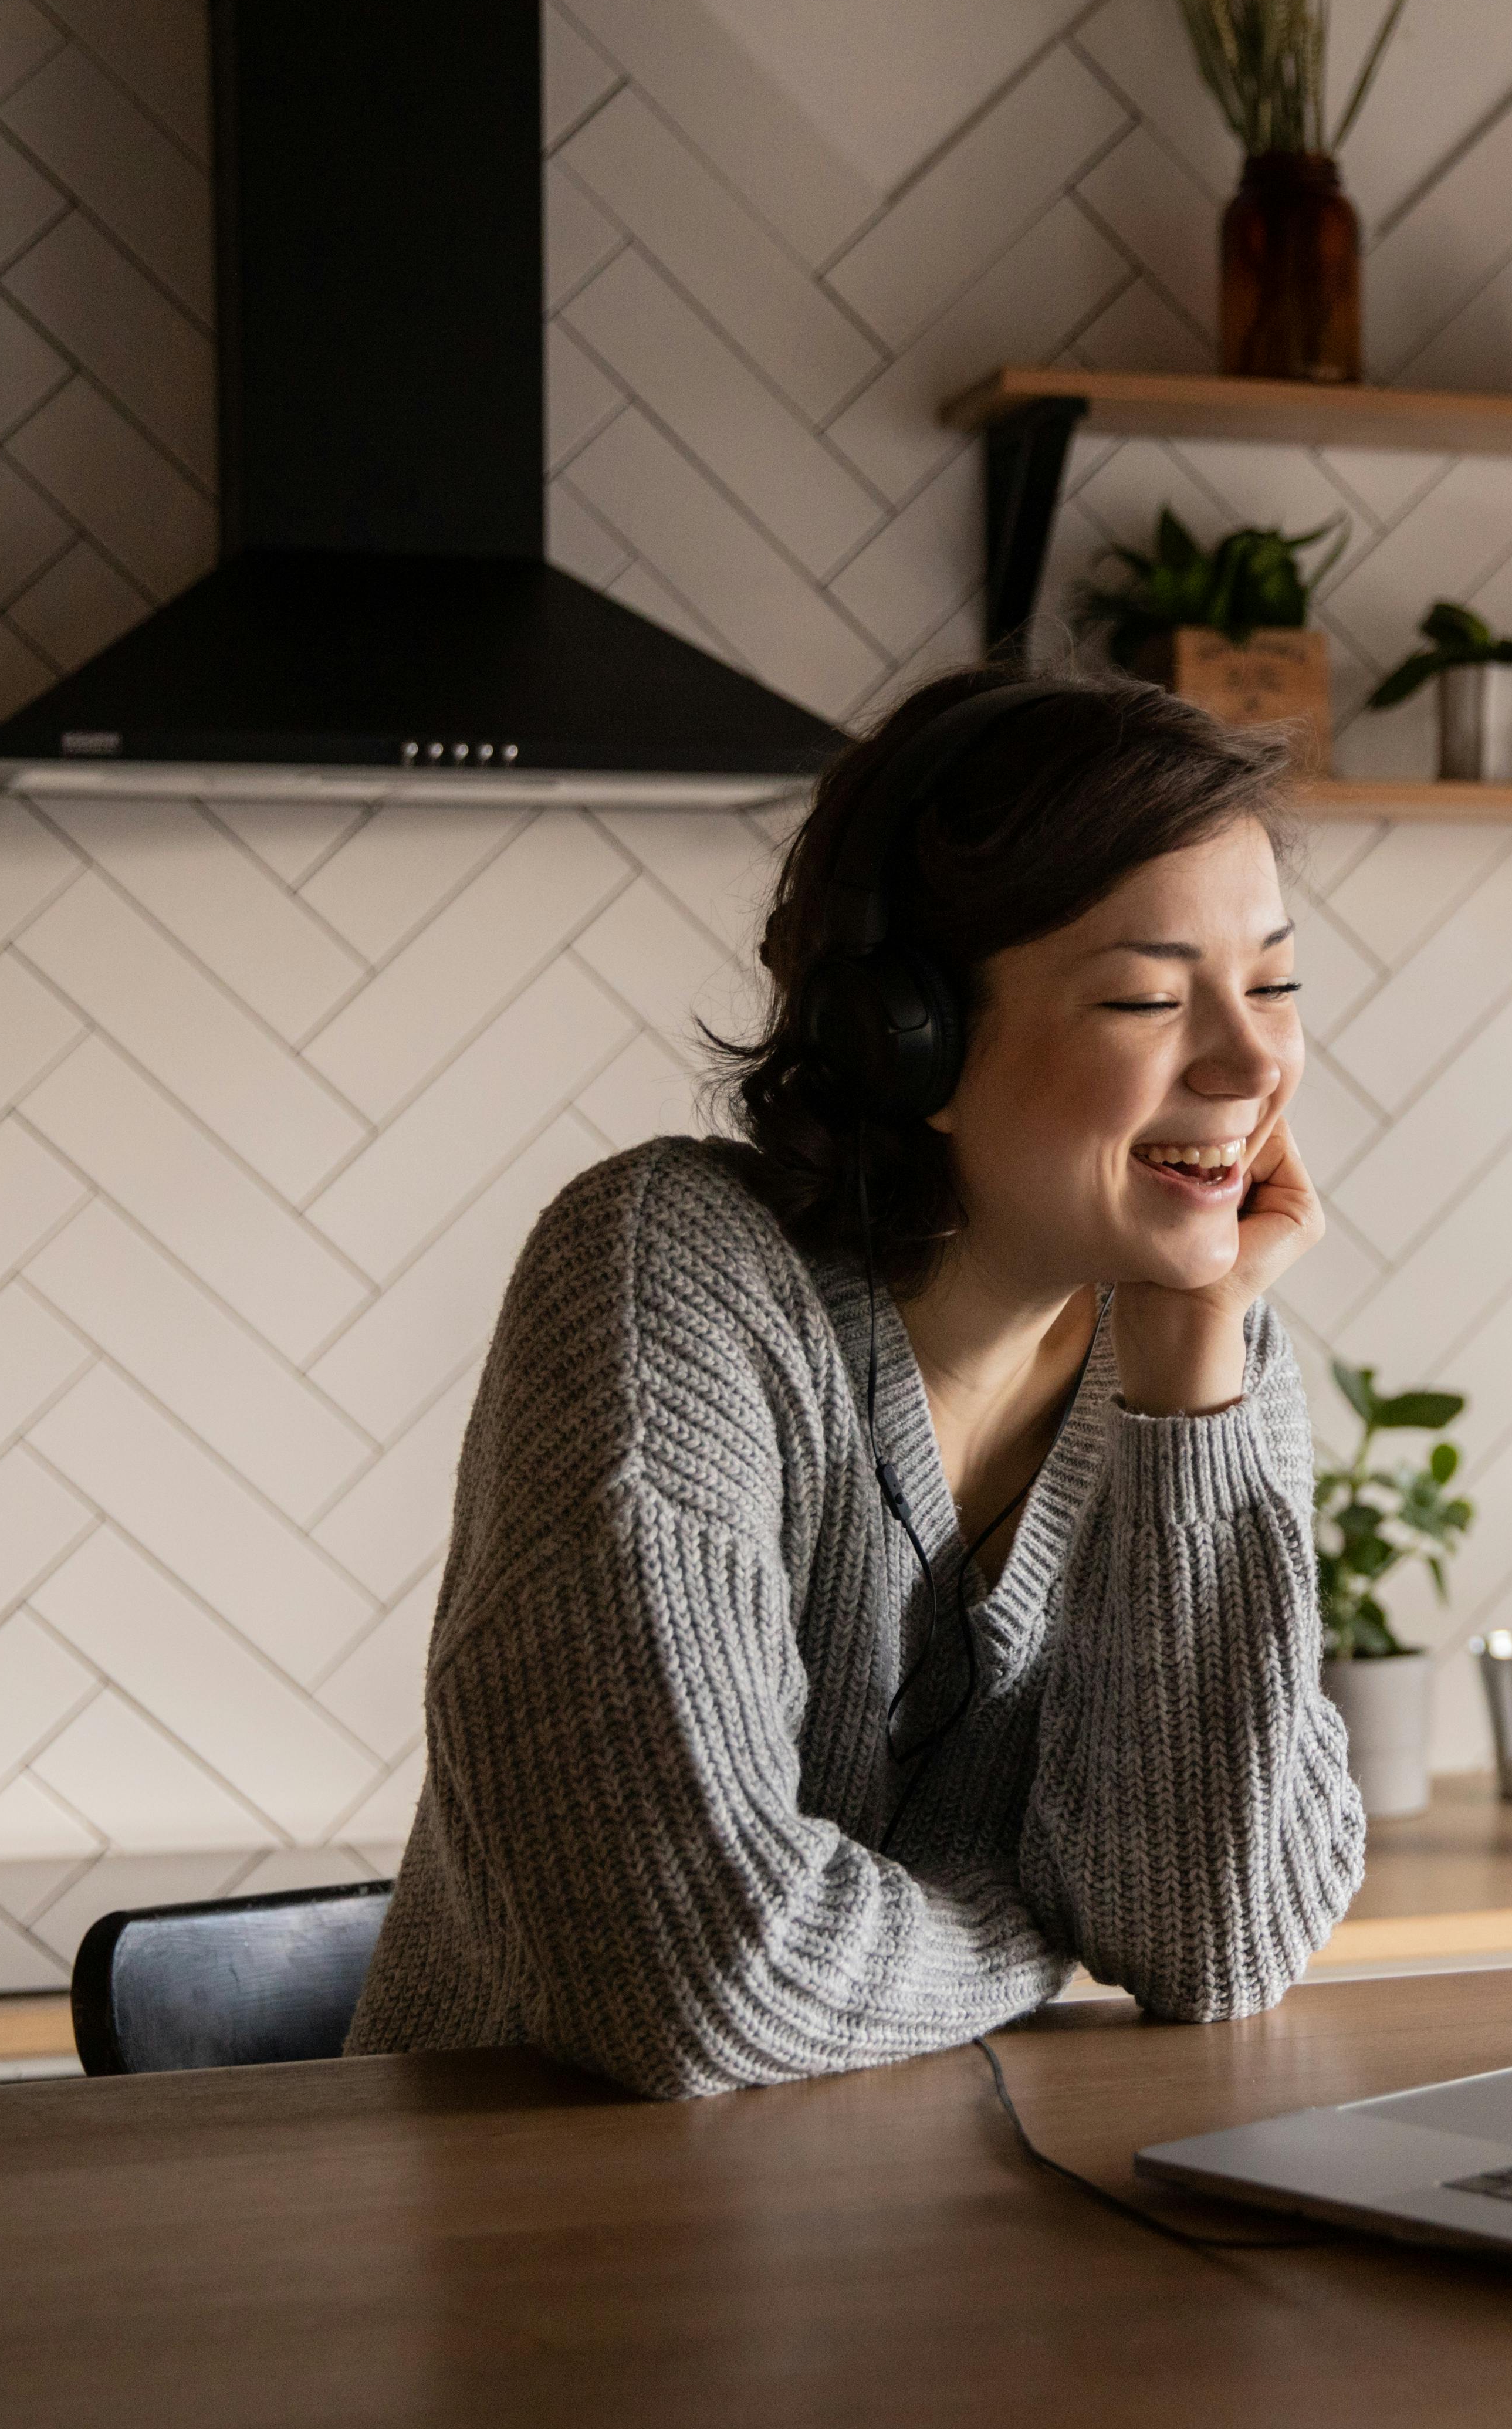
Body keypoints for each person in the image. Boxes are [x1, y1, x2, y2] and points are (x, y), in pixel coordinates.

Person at [347, 669, 1362, 2096]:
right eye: (1148, 994)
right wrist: (1031, 1920)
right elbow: (702, 1974)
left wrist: (1194, 1394)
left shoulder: (1211, 1360)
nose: (1255, 1061)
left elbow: (1216, 1943)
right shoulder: (670, 1276)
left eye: (1274, 982)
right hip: (543, 2251)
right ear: (911, 1039)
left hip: (929, 2247)